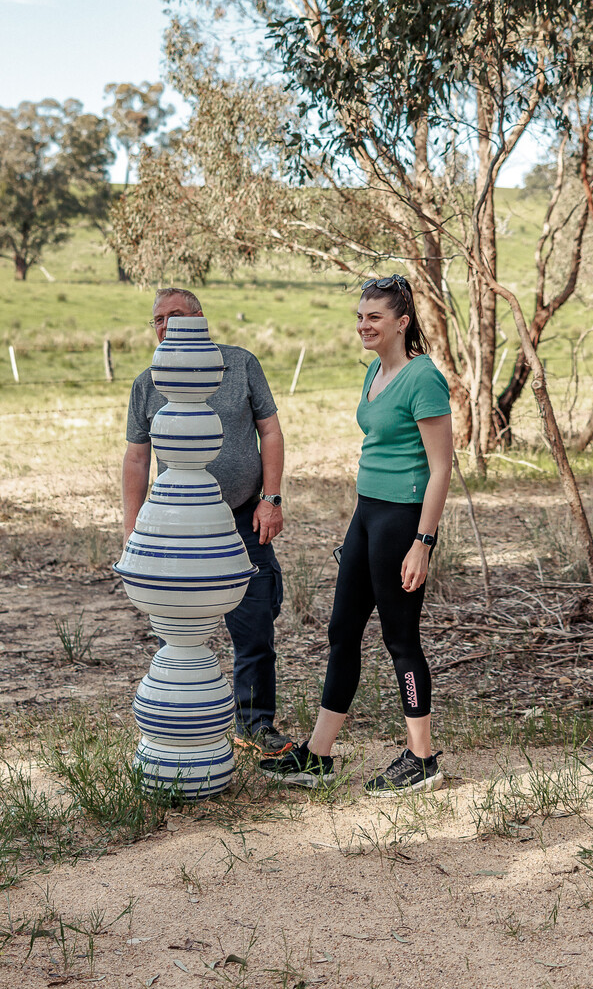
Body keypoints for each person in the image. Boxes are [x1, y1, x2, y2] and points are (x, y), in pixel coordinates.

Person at [260, 275, 453, 796]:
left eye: (374, 317)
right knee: (342, 632)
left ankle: (423, 759)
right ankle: (319, 756)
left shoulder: (424, 379)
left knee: (400, 639)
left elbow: (441, 470)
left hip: (402, 521)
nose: (364, 325)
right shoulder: (374, 370)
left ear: (402, 323)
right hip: (366, 515)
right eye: (360, 317)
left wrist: (423, 542)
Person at [123, 287, 292, 755]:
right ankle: (179, 726)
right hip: (176, 525)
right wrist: (133, 531)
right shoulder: (147, 383)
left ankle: (254, 723)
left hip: (242, 517)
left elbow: (271, 431)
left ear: (200, 320)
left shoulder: (240, 365)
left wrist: (271, 499)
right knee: (179, 633)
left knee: (255, 620)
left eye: (175, 316)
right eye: (157, 319)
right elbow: (137, 460)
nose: (165, 326)